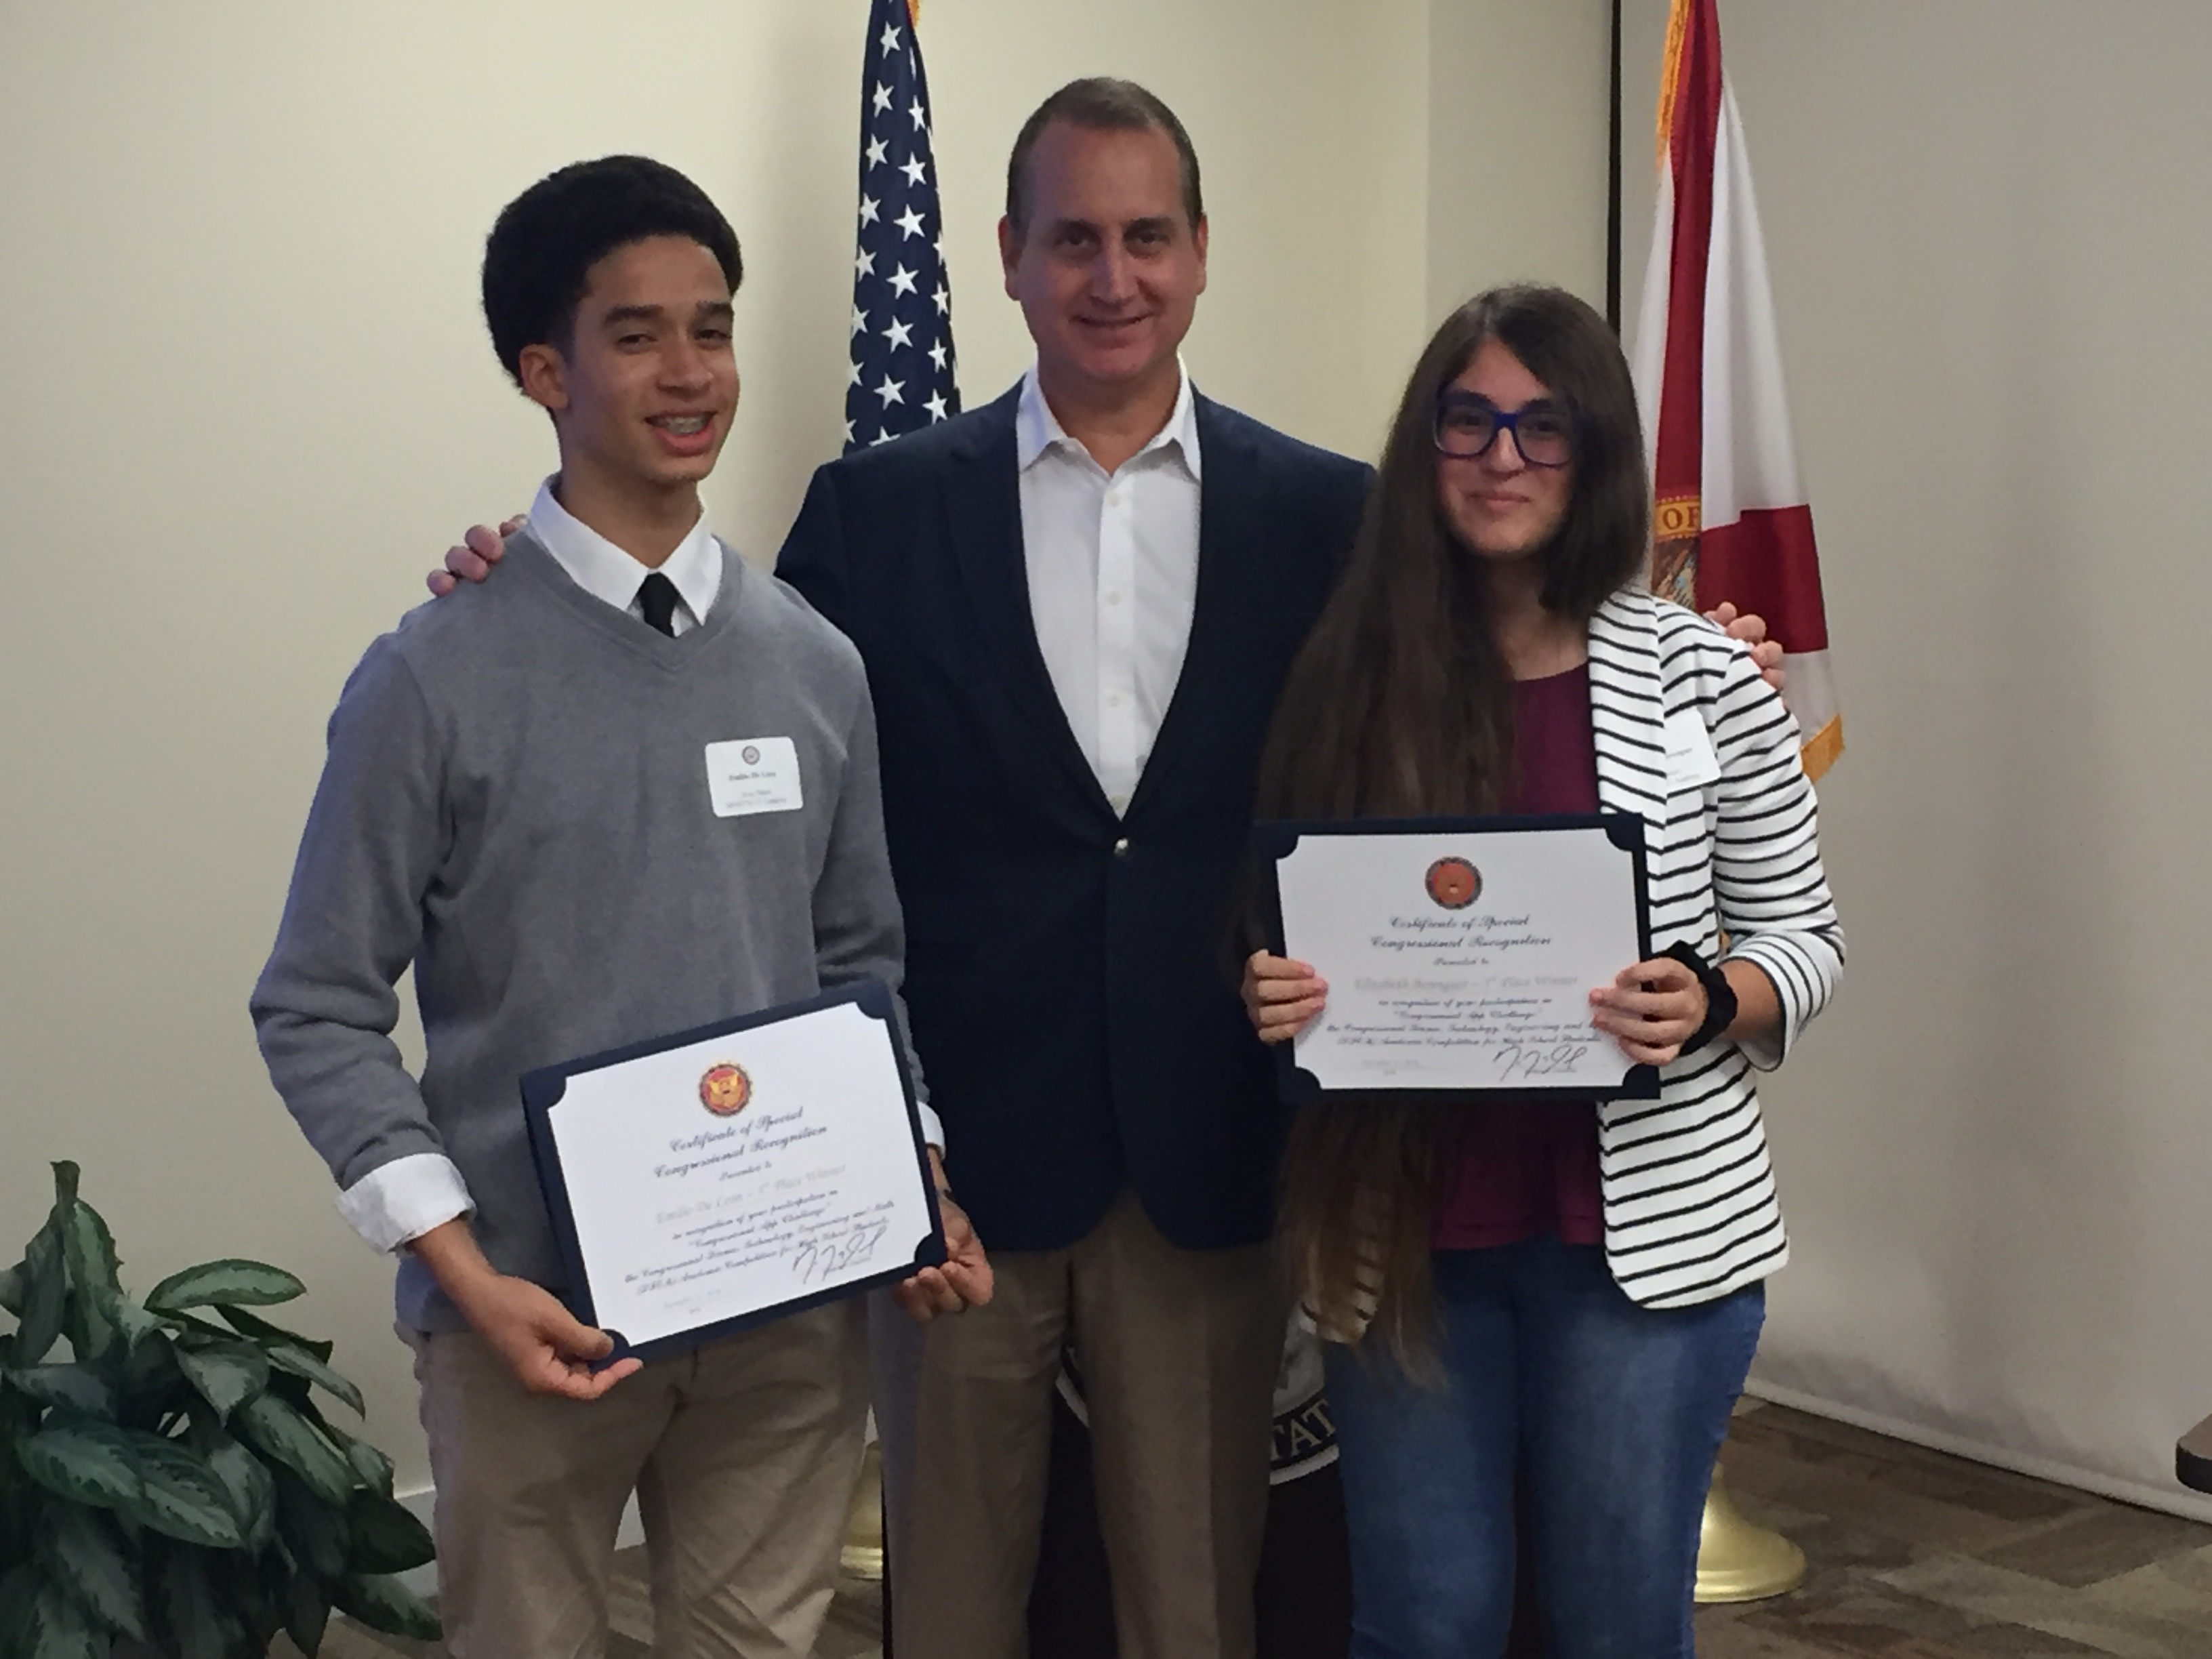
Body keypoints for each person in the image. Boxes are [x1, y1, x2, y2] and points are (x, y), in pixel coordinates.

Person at [426, 83, 1787, 1659]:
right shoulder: (876, 514)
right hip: (955, 1172)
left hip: (1209, 1157)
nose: (1113, 275)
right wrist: (515, 585)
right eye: (1073, 238)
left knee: (1194, 1607)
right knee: (946, 1605)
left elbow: (1498, 655)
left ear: (1203, 253)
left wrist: (1704, 646)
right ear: (1006, 256)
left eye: (1149, 236)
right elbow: (718, 689)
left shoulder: (1331, 518)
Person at [251, 155, 988, 1659]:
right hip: (530, 1322)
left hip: (785, 1319)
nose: (690, 372)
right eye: (638, 334)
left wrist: (909, 1188)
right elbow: (315, 1003)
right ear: (544, 369)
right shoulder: (434, 678)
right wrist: (460, 1267)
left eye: (712, 329)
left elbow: (858, 965)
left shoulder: (813, 662)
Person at [1240, 284, 1843, 1658]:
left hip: (1640, 1262)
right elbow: (1275, 920)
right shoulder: (1346, 673)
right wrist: (1271, 991)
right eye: (1470, 423)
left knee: (1616, 1630)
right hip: (1405, 1247)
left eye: (1543, 428)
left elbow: (1806, 940)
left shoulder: (1701, 676)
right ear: (1426, 447)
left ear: (1598, 456)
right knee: (1422, 1625)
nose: (1504, 460)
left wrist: (1709, 999)